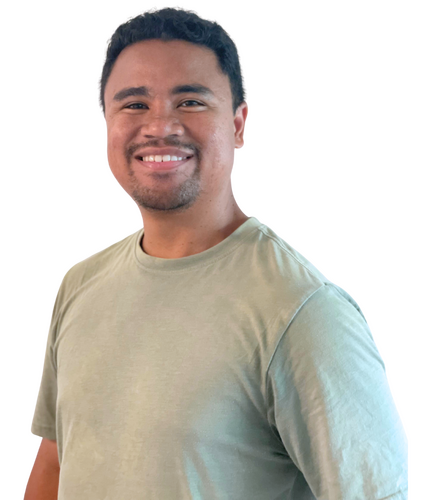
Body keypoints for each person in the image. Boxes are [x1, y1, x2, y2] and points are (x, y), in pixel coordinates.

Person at [26, 5, 411, 499]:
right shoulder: (79, 283)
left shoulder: (304, 310)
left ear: (240, 125)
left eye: (190, 101)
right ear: (106, 125)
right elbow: (56, 462)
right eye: (134, 104)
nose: (159, 125)